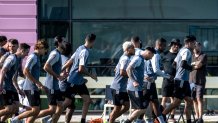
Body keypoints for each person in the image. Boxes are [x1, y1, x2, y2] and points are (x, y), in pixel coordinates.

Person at [54, 34, 98, 123]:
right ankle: (52, 117)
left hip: (79, 82)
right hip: (73, 81)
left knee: (87, 100)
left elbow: (70, 61)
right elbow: (81, 69)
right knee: (67, 102)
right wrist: (91, 75)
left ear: (86, 39)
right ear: (93, 41)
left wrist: (60, 70)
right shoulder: (85, 52)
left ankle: (83, 120)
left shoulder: (80, 48)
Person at [10, 40, 49, 123]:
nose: (46, 52)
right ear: (41, 48)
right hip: (30, 87)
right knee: (35, 110)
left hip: (33, 87)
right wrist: (38, 83)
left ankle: (17, 120)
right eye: (45, 49)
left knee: (36, 111)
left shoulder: (36, 57)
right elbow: (25, 71)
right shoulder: (33, 57)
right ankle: (15, 119)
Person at [162, 35, 197, 123]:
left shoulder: (181, 51)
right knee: (176, 102)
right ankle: (161, 117)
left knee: (189, 101)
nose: (195, 45)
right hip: (181, 80)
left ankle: (189, 121)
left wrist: (177, 74)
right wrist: (192, 68)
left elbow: (174, 64)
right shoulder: (186, 51)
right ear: (189, 43)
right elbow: (183, 64)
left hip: (183, 80)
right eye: (193, 43)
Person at [37, 36, 66, 123]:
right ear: (59, 43)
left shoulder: (58, 54)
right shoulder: (55, 54)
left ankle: (48, 120)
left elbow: (52, 68)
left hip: (55, 86)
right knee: (52, 109)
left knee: (61, 106)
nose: (66, 43)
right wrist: (58, 76)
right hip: (51, 86)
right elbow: (46, 66)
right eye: (64, 41)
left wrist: (61, 74)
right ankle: (28, 116)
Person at [124, 47, 156, 123]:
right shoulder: (138, 58)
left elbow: (136, 72)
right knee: (142, 108)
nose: (151, 58)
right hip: (134, 88)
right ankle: (127, 122)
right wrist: (134, 81)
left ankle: (135, 121)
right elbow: (128, 69)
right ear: (149, 53)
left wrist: (145, 78)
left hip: (137, 88)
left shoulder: (141, 59)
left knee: (138, 108)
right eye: (152, 56)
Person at [0, 43, 30, 122]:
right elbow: (3, 70)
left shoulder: (18, 59)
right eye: (27, 52)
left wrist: (18, 89)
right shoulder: (12, 58)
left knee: (15, 109)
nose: (27, 55)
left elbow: (14, 77)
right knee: (9, 109)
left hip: (11, 87)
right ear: (22, 51)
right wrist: (0, 85)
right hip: (5, 86)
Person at [109, 41, 135, 123]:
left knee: (127, 106)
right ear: (128, 49)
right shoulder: (125, 58)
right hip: (117, 88)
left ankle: (111, 118)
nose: (134, 49)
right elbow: (121, 72)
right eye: (132, 48)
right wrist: (132, 76)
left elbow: (116, 69)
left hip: (122, 88)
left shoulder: (124, 57)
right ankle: (111, 119)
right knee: (117, 109)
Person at [161, 39, 181, 122]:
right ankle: (162, 117)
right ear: (171, 45)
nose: (176, 46)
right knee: (164, 99)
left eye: (178, 45)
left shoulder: (179, 55)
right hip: (166, 79)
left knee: (174, 100)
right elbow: (158, 66)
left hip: (176, 80)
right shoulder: (164, 54)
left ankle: (172, 117)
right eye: (175, 44)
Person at [189, 42, 207, 123]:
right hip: (191, 81)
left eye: (197, 46)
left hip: (200, 81)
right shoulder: (191, 56)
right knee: (194, 100)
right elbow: (188, 65)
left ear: (200, 47)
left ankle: (200, 118)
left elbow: (199, 65)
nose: (196, 47)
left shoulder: (203, 55)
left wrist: (192, 65)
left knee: (199, 99)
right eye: (194, 46)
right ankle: (197, 117)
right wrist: (193, 64)